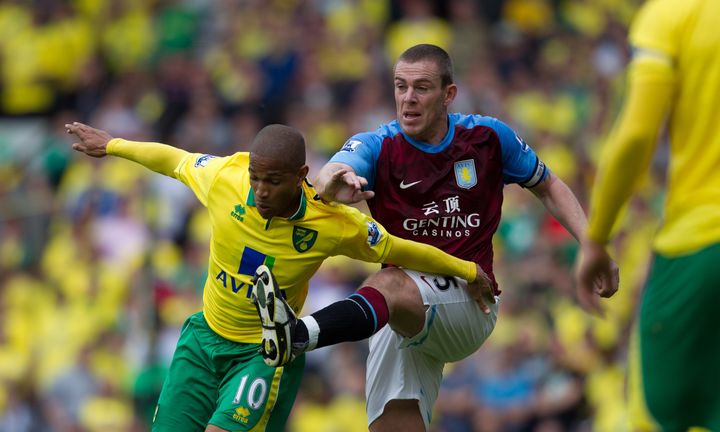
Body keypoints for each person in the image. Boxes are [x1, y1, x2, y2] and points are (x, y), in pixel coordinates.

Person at [259, 43, 620, 431]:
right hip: (400, 312)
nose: (408, 100)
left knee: (389, 282)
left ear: (449, 94)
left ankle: (297, 335)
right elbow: (334, 169)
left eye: (421, 88)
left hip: (469, 300)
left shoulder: (487, 138)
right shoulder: (380, 144)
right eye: (400, 87)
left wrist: (591, 245)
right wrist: (333, 181)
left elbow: (548, 185)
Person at [66, 121, 494, 432]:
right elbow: (174, 161)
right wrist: (114, 145)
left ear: (302, 177)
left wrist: (467, 270)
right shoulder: (225, 179)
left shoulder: (333, 223)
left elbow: (398, 249)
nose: (261, 190)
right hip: (203, 338)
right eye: (256, 177)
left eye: (273, 181)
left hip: (266, 352)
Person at [575, 0, 720, 430]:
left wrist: (597, 237)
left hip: (701, 242)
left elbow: (638, 134)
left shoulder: (674, 14)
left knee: (653, 419)